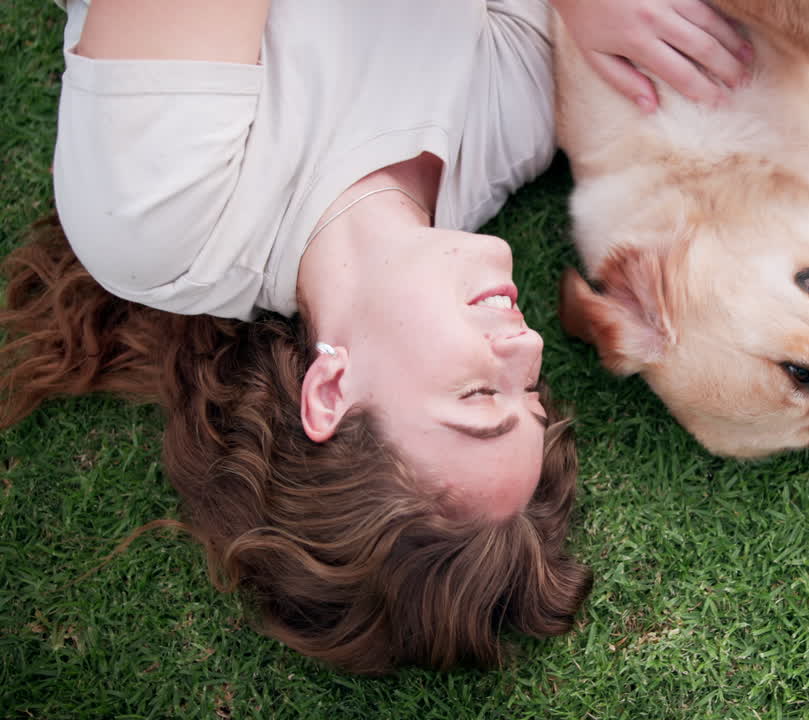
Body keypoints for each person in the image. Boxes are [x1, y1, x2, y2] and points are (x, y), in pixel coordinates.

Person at [0, 0, 750, 673]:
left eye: (480, 392)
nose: (528, 349)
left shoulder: (167, 222)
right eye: (530, 395)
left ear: (332, 389)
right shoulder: (511, 128)